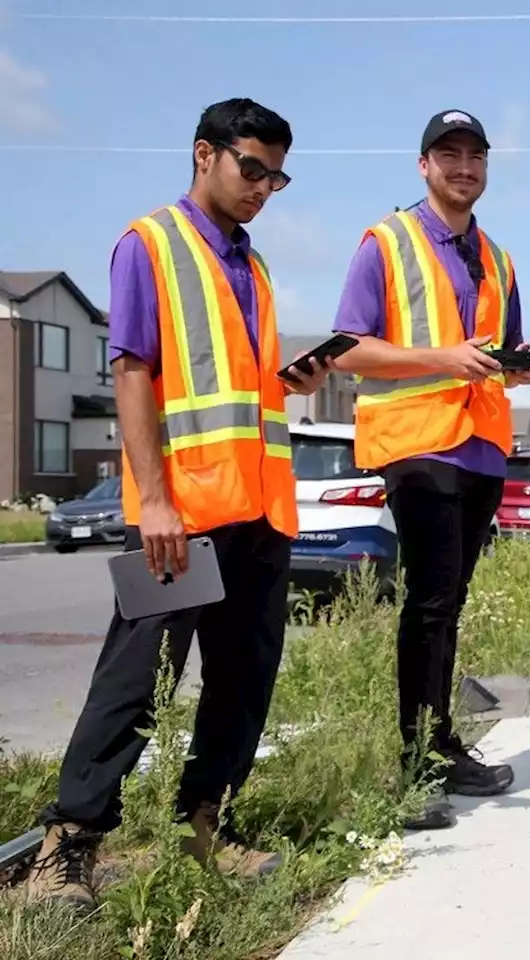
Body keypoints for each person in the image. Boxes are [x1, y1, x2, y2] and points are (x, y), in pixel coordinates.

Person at [26, 98, 331, 909]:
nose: (265, 187)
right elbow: (133, 372)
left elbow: (234, 387)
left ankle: (207, 829)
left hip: (260, 511)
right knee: (136, 678)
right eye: (251, 168)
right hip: (182, 514)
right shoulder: (149, 244)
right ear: (205, 154)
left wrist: (293, 382)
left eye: (278, 175)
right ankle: (68, 848)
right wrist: (153, 500)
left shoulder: (254, 264)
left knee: (242, 680)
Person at [330, 109, 530, 831]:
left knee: (448, 602)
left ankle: (443, 745)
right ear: (423, 165)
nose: (463, 166)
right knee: (427, 601)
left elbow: (495, 353)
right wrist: (442, 359)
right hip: (415, 446)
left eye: (475, 155)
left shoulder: (500, 257)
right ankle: (416, 762)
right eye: (447, 154)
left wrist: (520, 369)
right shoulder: (384, 243)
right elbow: (347, 349)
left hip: (480, 447)